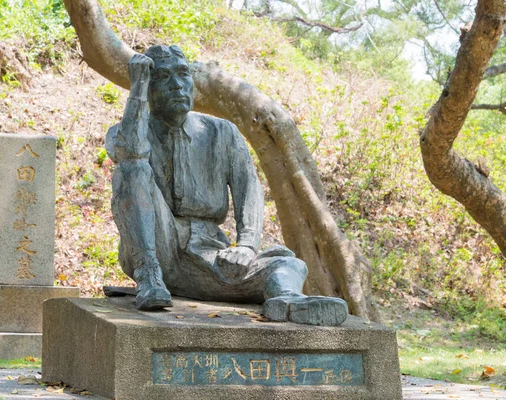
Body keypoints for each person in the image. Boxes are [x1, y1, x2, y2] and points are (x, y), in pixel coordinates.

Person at [105, 45, 348, 326]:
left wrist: (246, 246)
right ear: (147, 87)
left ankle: (287, 300)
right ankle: (148, 275)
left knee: (289, 264)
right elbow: (131, 153)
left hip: (209, 256)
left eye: (183, 74)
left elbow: (249, 189)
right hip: (159, 250)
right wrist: (136, 90)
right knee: (132, 168)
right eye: (162, 78)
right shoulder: (129, 129)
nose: (176, 85)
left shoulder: (222, 132)